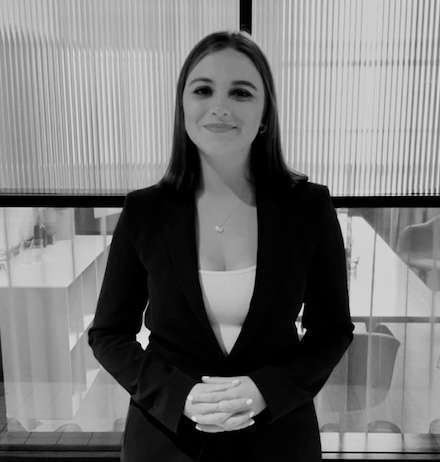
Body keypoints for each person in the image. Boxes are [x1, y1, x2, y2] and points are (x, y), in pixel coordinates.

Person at [88, 30, 354, 462]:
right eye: (203, 90)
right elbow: (108, 334)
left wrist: (265, 391)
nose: (220, 106)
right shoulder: (144, 211)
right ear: (183, 106)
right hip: (167, 440)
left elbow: (332, 330)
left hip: (278, 439)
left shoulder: (308, 207)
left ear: (265, 114)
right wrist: (180, 396)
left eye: (241, 92)